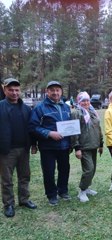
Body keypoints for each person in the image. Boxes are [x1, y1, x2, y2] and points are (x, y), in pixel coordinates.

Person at [29, 81, 71, 206]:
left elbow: (70, 126)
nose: (55, 92)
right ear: (47, 92)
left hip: (64, 146)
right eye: (52, 90)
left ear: (61, 91)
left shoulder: (66, 107)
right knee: (49, 171)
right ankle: (51, 195)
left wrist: (71, 143)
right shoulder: (40, 108)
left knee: (65, 169)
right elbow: (32, 127)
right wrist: (49, 133)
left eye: (57, 90)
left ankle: (63, 191)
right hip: (48, 147)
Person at [0, 78, 37, 218]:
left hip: (24, 149)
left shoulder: (26, 108)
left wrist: (33, 144)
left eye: (16, 90)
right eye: (10, 90)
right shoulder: (0, 107)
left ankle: (24, 199)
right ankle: (8, 204)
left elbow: (31, 128)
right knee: (7, 179)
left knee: (24, 176)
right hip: (6, 150)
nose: (14, 93)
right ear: (5, 90)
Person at [71, 92, 103, 203]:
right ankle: (82, 191)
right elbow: (74, 131)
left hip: (94, 145)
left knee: (92, 169)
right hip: (84, 146)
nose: (86, 102)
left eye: (87, 100)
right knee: (88, 170)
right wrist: (77, 148)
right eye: (83, 100)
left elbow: (98, 128)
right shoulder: (77, 113)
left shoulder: (92, 112)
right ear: (79, 102)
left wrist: (101, 144)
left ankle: (87, 187)